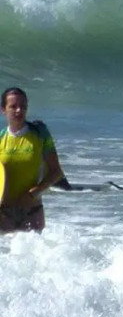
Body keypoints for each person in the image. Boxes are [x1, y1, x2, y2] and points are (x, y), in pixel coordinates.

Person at [1, 87, 66, 233]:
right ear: (3, 109)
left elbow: (56, 172)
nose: (19, 110)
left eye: (23, 107)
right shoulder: (0, 139)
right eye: (13, 106)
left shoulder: (40, 134)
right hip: (4, 214)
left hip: (31, 212)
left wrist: (33, 193)